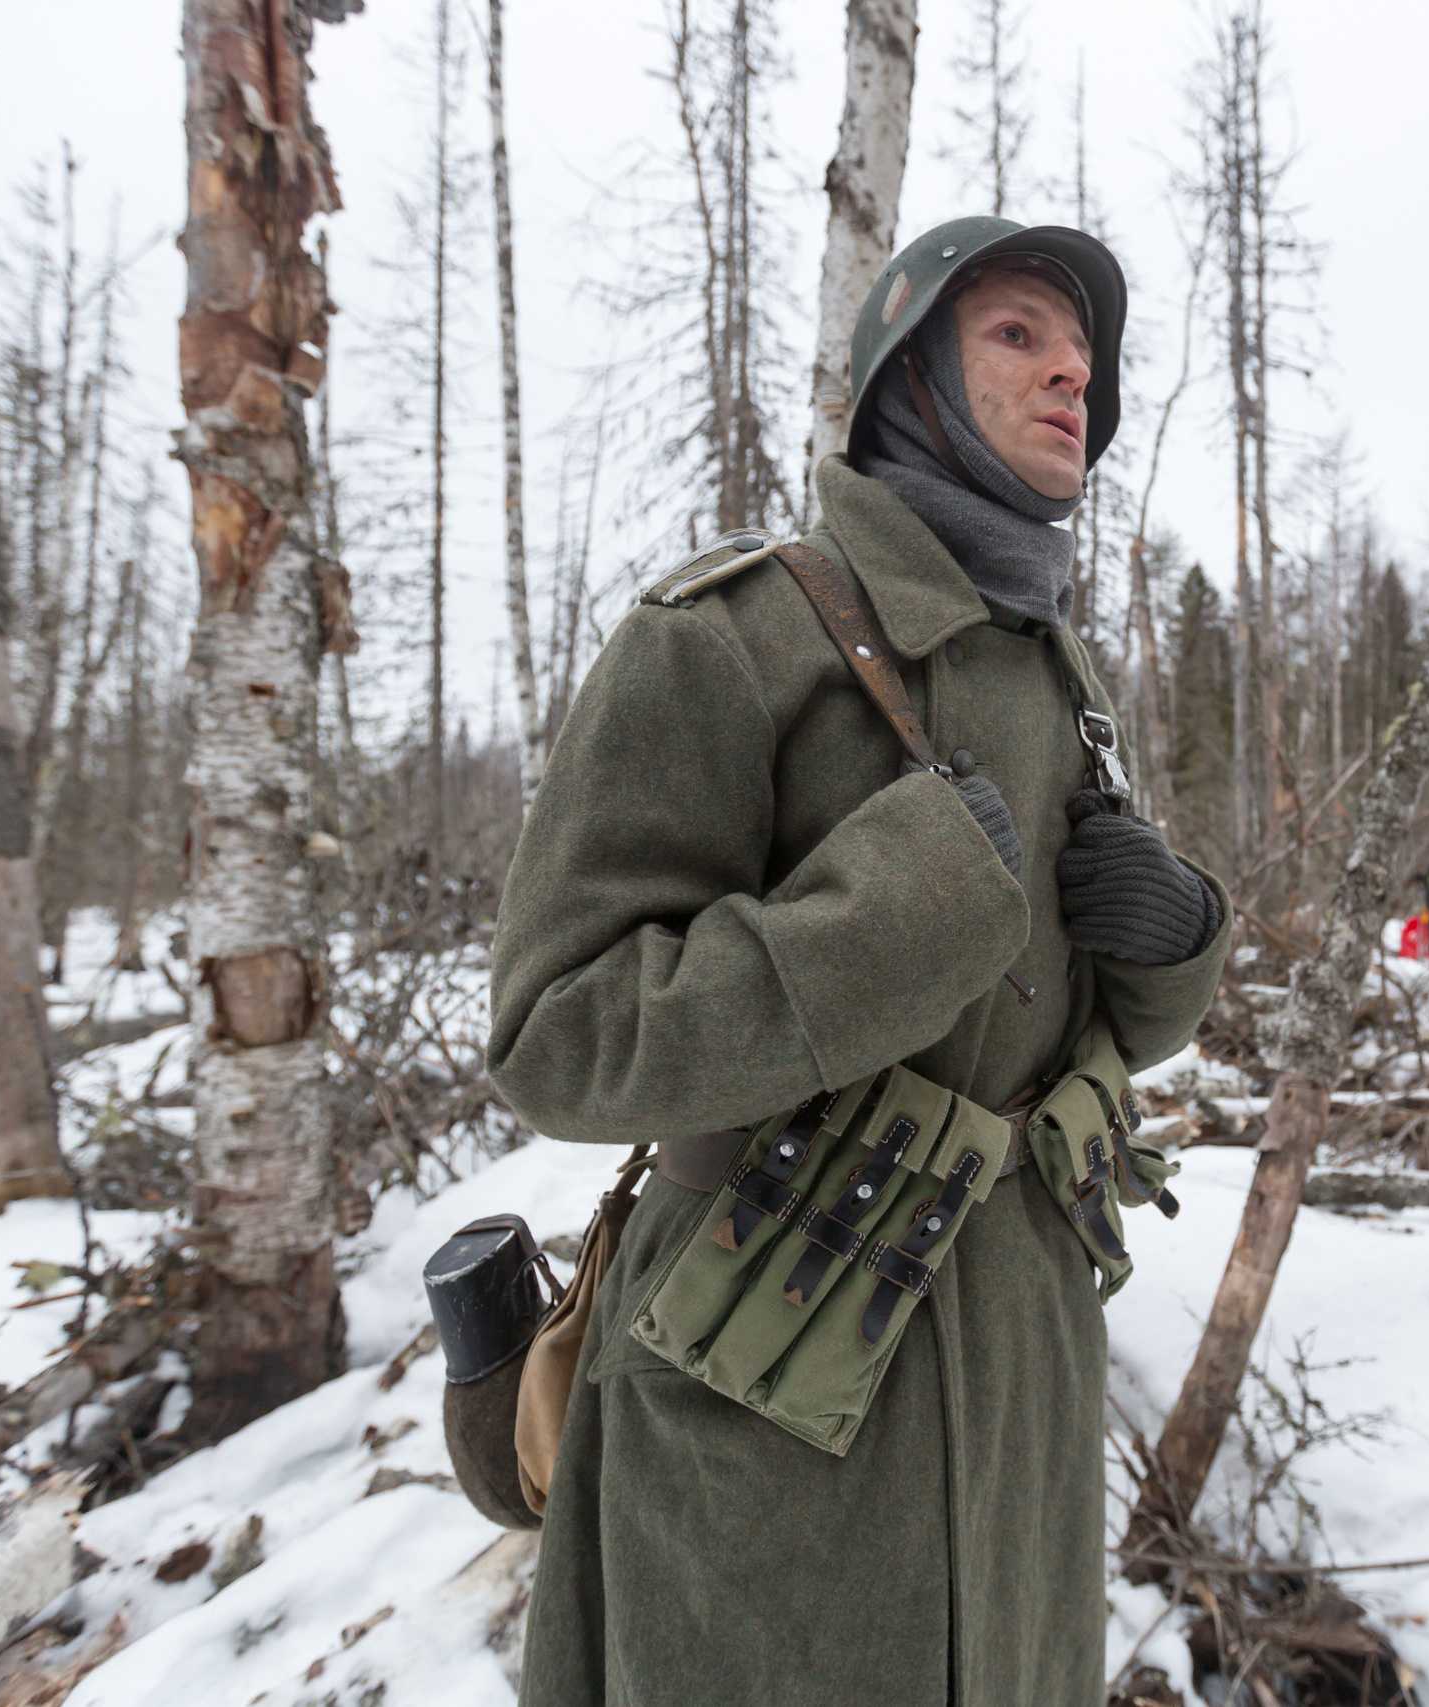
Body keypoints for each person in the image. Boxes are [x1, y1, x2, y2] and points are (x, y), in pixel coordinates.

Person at [487, 217, 1231, 1706]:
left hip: (1022, 1351)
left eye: (1081, 351)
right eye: (1016, 334)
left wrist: (1171, 949)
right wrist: (883, 927)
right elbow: (558, 1036)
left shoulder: (1061, 671)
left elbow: (1051, 1026)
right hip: (774, 1368)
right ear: (912, 385)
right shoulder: (735, 638)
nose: (1070, 372)